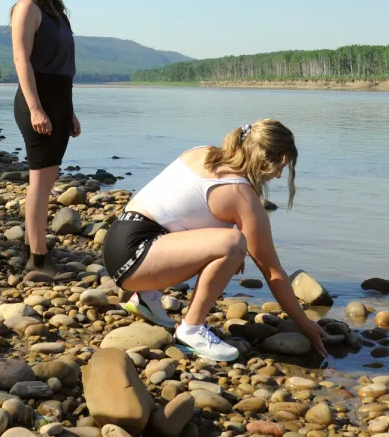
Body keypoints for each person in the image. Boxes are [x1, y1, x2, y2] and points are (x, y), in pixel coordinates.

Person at [102, 119, 329, 361]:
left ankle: (147, 297)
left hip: (120, 240)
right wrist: (305, 323)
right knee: (232, 244)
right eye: (279, 165)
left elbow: (181, 213)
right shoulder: (240, 194)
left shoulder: (204, 153)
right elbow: (272, 271)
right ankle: (191, 330)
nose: (278, 174)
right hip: (135, 258)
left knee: (231, 244)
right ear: (262, 159)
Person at [10, 0, 80, 274]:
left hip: (59, 100)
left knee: (46, 180)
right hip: (37, 101)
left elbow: (62, 67)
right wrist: (36, 108)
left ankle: (29, 245)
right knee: (41, 182)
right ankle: (38, 259)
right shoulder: (27, 8)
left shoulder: (55, 11)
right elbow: (22, 60)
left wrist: (70, 111)